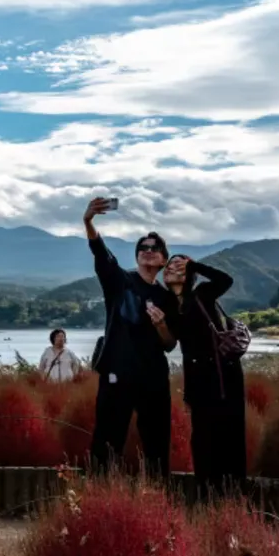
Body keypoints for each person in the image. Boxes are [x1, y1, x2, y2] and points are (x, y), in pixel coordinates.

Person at [83, 198, 178, 481]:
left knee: (157, 446)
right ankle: (99, 500)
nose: (148, 251)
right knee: (107, 443)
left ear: (163, 260)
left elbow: (170, 344)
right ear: (137, 256)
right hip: (117, 374)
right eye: (143, 248)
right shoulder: (119, 281)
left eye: (155, 248)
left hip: (153, 379)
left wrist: (161, 324)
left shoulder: (167, 298)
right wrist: (88, 222)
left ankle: (157, 502)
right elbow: (101, 253)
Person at [163, 255, 246, 500]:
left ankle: (233, 499)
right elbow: (181, 350)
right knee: (202, 441)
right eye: (169, 264)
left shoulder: (202, 294)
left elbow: (226, 280)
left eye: (179, 264)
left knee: (229, 439)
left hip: (224, 377)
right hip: (198, 382)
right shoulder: (169, 305)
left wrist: (195, 265)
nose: (172, 267)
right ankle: (206, 499)